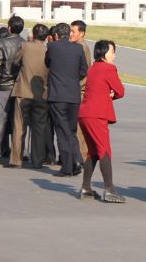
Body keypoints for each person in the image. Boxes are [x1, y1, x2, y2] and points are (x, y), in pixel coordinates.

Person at [78, 40, 126, 203]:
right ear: (104, 53)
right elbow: (120, 91)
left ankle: (86, 187)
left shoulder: (92, 69)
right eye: (112, 51)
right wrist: (112, 93)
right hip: (96, 115)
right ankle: (109, 189)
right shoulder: (108, 68)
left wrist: (108, 93)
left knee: (93, 151)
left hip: (84, 113)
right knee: (104, 149)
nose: (114, 55)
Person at [46, 22, 88, 177]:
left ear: (56, 35)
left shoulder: (52, 47)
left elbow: (47, 63)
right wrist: (72, 78)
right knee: (71, 130)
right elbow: (84, 70)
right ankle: (77, 161)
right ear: (69, 33)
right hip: (73, 95)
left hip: (57, 95)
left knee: (62, 131)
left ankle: (67, 166)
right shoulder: (78, 48)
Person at [10, 23, 50, 169]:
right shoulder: (48, 49)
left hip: (23, 90)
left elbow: (15, 61)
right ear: (46, 37)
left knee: (19, 126)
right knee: (39, 128)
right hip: (42, 93)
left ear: (33, 34)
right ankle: (37, 160)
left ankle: (16, 159)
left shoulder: (25, 46)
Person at [0, 15, 24, 165]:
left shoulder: (1, 43)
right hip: (18, 85)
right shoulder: (25, 44)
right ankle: (17, 156)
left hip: (2, 85)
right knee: (18, 122)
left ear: (9, 27)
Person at [70, 20, 92, 160]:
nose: (70, 34)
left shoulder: (81, 48)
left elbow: (83, 71)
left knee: (78, 128)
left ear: (82, 33)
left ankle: (82, 156)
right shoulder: (77, 46)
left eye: (73, 31)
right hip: (77, 90)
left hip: (80, 91)